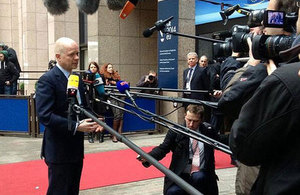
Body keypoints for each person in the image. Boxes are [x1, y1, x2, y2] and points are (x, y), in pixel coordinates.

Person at [35, 37, 103, 195]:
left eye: (78, 54)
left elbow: (84, 107)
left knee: (73, 190)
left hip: (76, 148)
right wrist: (76, 126)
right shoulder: (48, 80)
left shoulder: (76, 79)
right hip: (58, 150)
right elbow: (45, 116)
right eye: (72, 55)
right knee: (59, 191)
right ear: (58, 56)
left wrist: (96, 120)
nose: (77, 58)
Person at [138, 104, 219, 195]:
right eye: (189, 120)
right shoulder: (176, 131)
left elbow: (220, 141)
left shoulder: (208, 131)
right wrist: (148, 157)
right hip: (180, 174)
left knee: (198, 176)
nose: (191, 124)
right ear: (185, 116)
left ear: (201, 120)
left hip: (202, 175)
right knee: (173, 192)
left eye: (195, 121)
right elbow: (163, 148)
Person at [100, 63, 124, 143]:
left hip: (120, 95)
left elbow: (120, 83)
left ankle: (119, 133)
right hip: (111, 96)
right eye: (109, 67)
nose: (111, 69)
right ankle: (114, 134)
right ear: (106, 68)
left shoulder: (116, 76)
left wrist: (115, 83)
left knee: (121, 114)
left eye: (111, 67)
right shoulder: (104, 76)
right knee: (117, 114)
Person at [86, 61, 106, 143]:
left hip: (99, 99)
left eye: (94, 67)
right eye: (91, 67)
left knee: (100, 117)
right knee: (91, 117)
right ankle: (90, 135)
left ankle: (101, 135)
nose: (93, 69)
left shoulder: (100, 76)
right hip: (90, 99)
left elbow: (103, 88)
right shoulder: (87, 76)